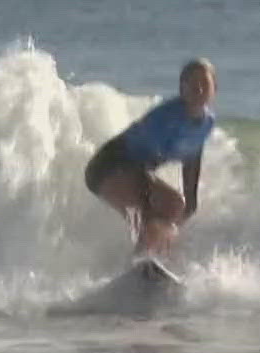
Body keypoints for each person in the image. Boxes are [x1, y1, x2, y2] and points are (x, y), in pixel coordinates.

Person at [83, 59, 216, 259]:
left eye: (204, 84)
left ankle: (153, 264)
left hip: (132, 171)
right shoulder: (165, 118)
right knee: (155, 213)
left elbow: (192, 156)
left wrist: (191, 199)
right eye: (192, 83)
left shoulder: (206, 123)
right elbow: (134, 160)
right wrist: (151, 215)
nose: (198, 89)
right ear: (182, 88)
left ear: (214, 89)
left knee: (175, 207)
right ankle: (140, 263)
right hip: (107, 168)